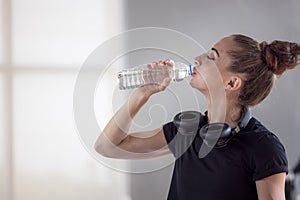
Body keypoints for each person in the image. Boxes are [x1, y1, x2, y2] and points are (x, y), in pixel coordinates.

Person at [94, 34, 300, 200]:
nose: (197, 59)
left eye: (211, 56)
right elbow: (107, 147)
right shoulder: (186, 130)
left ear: (231, 84)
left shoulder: (264, 147)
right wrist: (143, 93)